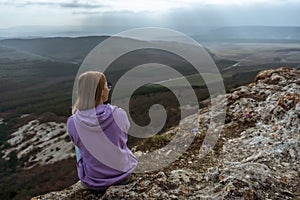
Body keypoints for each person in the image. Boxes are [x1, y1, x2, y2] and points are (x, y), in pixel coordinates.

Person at [67, 71, 138, 191]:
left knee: (79, 145)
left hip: (94, 181)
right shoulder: (119, 114)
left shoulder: (73, 122)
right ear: (100, 92)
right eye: (107, 86)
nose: (108, 89)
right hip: (123, 175)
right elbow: (123, 136)